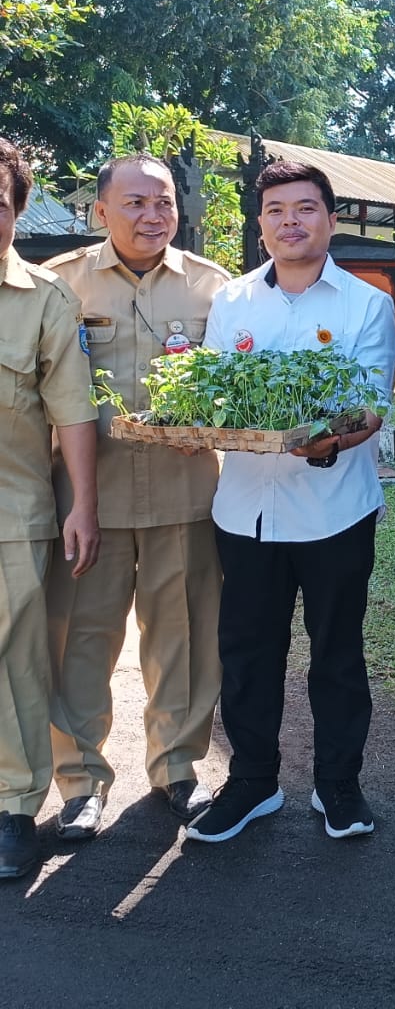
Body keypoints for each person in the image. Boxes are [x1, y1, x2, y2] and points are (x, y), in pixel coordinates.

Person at [185, 161, 395, 844]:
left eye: (305, 209)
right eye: (276, 210)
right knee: (247, 651)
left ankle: (338, 786)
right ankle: (252, 782)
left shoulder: (367, 305)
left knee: (337, 652)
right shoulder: (233, 302)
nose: (290, 222)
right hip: (244, 510)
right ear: (261, 223)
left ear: (330, 220)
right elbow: (215, 397)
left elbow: (369, 407)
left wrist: (329, 442)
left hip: (334, 509)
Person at [44, 155, 228, 839]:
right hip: (89, 499)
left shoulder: (215, 289)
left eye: (166, 203)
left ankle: (177, 768)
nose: (154, 216)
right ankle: (80, 783)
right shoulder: (62, 285)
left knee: (183, 636)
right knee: (81, 642)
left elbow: (231, 390)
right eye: (137, 203)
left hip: (186, 495)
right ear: (101, 211)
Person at [0, 139, 100, 881]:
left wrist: (84, 507)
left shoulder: (45, 300)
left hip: (13, 509)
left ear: (17, 208)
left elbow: (72, 417)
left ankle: (12, 808)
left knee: (13, 662)